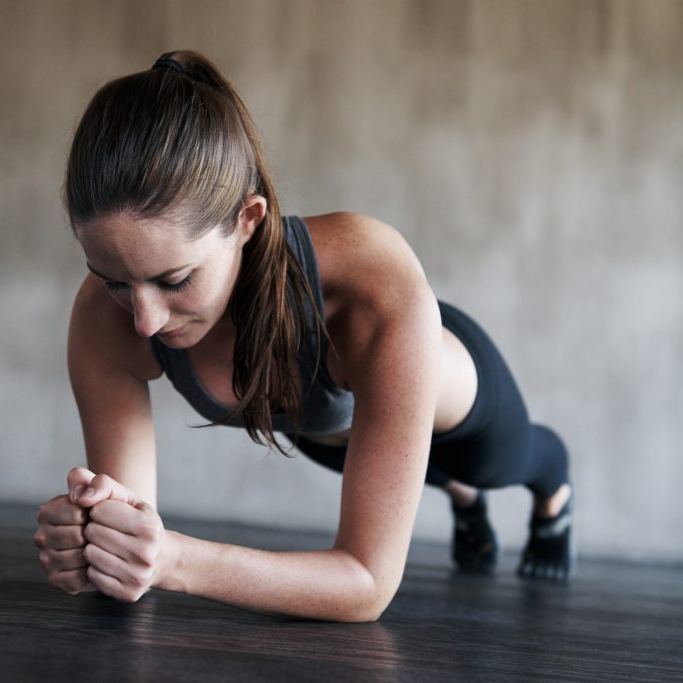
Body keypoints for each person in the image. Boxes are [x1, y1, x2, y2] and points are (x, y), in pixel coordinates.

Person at [33, 50, 575, 622]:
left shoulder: (371, 279)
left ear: (249, 220)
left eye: (175, 280)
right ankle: (463, 501)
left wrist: (173, 561)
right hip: (324, 424)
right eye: (115, 281)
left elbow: (367, 584)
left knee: (499, 463)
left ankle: (553, 495)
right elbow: (131, 531)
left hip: (445, 381)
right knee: (367, 455)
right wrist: (93, 546)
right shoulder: (103, 318)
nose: (144, 321)